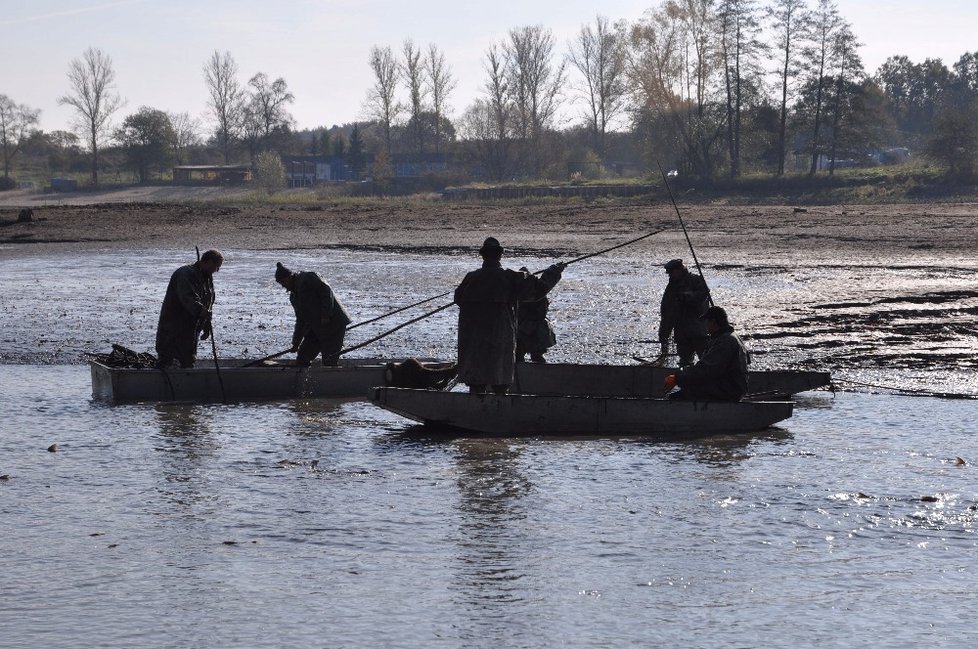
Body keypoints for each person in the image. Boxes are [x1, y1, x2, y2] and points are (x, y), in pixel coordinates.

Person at [454, 237, 564, 394]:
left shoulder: (470, 278)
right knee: (500, 383)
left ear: (483, 256)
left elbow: (458, 299)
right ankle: (499, 412)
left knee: (476, 385)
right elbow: (537, 291)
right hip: (500, 340)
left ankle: (475, 411)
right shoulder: (510, 277)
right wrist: (553, 273)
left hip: (474, 342)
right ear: (500, 256)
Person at [663, 306, 749, 401]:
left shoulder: (725, 341)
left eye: (707, 322)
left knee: (678, 394)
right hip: (731, 385)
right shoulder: (732, 336)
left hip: (729, 389)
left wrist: (678, 378)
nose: (705, 326)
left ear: (713, 321)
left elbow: (707, 369)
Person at [155, 249, 224, 369]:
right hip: (173, 327)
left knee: (188, 360)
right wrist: (202, 311)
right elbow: (189, 298)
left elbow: (208, 301)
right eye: (216, 266)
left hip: (191, 328)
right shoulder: (185, 274)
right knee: (167, 360)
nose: (217, 270)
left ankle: (186, 384)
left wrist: (206, 324)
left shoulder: (206, 277)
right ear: (206, 261)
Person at [275, 262, 352, 366]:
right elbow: (300, 321)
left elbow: (326, 292)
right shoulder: (294, 297)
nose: (283, 285)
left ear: (290, 276)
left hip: (334, 323)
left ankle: (332, 379)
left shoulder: (308, 277)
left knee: (329, 359)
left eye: (283, 282)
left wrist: (326, 315)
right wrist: (296, 343)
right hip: (316, 328)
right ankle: (303, 380)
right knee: (303, 358)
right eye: (281, 284)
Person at [657, 258, 710, 367]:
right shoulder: (671, 288)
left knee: (706, 361)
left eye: (672, 272)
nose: (670, 275)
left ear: (680, 270)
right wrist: (663, 333)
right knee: (684, 363)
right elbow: (666, 312)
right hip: (681, 333)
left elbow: (703, 295)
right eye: (669, 273)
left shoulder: (696, 280)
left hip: (699, 332)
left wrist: (686, 297)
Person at [516, 267, 557, 363]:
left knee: (532, 355)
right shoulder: (537, 290)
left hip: (534, 328)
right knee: (521, 354)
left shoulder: (532, 293)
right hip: (526, 327)